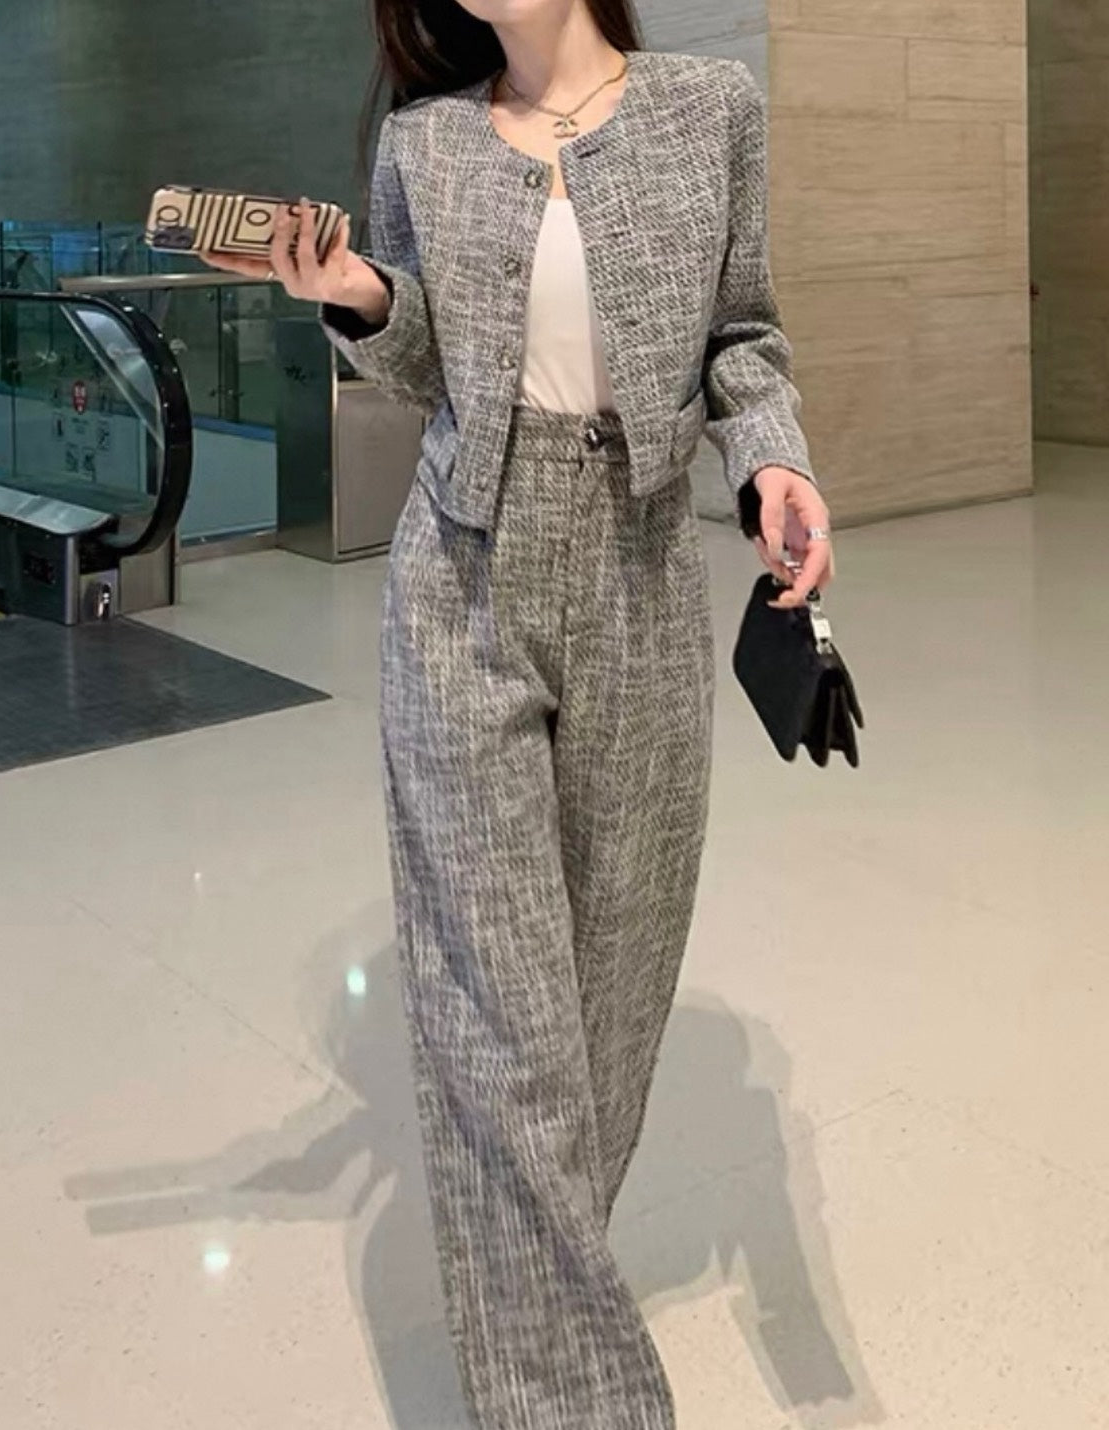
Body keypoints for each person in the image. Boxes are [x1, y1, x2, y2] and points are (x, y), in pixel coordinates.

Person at [206, 1, 833, 1424]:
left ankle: (534, 1321)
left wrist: (774, 462)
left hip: (640, 577)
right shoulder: (424, 144)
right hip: (464, 584)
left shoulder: (709, 112)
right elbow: (428, 360)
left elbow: (743, 337)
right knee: (500, 1037)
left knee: (608, 1011)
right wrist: (361, 295)